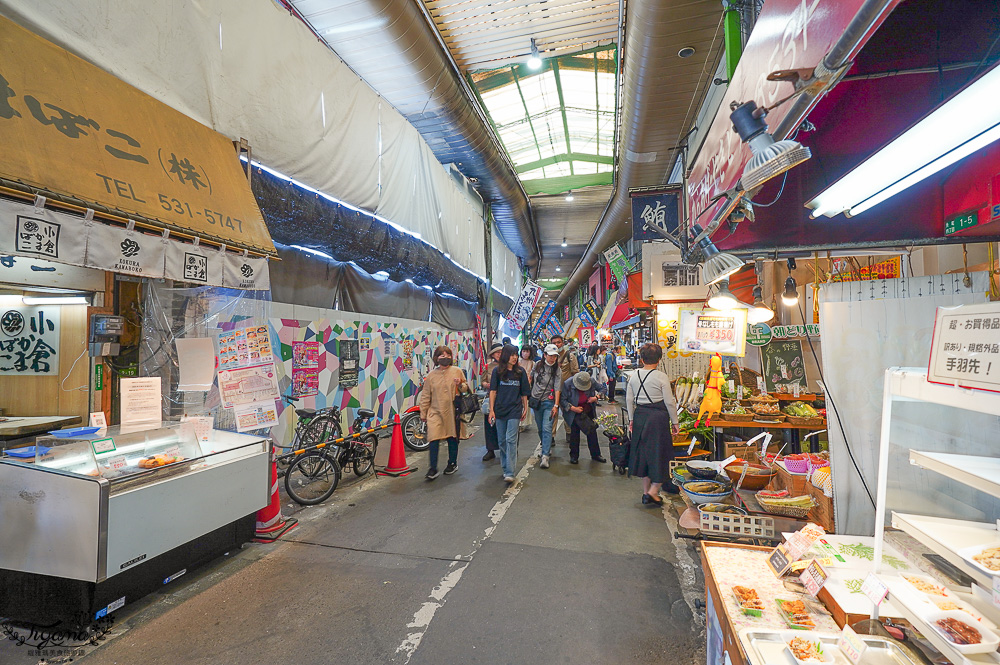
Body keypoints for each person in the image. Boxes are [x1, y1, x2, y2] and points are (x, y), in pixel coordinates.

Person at [626, 343, 680, 506]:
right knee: (660, 453)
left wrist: (631, 420)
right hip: (658, 418)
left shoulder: (633, 376)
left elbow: (629, 399)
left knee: (643, 455)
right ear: (659, 359)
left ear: (641, 359)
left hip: (640, 416)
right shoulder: (661, 377)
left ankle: (646, 492)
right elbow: (670, 402)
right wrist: (675, 422)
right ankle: (653, 491)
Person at [420, 345, 469, 481]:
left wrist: (460, 384)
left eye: (448, 355)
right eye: (442, 355)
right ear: (436, 358)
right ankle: (433, 468)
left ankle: (452, 463)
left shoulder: (457, 371)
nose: (445, 358)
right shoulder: (431, 376)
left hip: (453, 411)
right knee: (433, 438)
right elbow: (425, 396)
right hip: (435, 412)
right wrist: (423, 413)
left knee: (452, 437)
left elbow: (465, 388)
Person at [489, 344, 530, 483]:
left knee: (511, 439)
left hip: (515, 409)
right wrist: (491, 410)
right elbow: (493, 391)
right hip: (500, 409)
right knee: (501, 441)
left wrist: (525, 408)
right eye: (512, 354)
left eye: (516, 355)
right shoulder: (497, 372)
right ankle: (506, 467)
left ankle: (510, 472)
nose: (514, 357)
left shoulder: (520, 372)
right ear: (506, 356)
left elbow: (524, 393)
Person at [560, 371, 607, 465]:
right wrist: (573, 408)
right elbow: (562, 400)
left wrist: (596, 397)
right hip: (574, 413)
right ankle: (574, 456)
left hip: (588, 411)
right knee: (574, 435)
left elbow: (603, 388)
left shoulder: (592, 381)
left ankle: (596, 455)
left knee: (592, 432)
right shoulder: (568, 383)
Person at [530, 344, 562, 468]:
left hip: (549, 402)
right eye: (550, 356)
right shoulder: (537, 365)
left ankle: (545, 456)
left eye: (555, 356)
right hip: (536, 401)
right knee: (540, 428)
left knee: (547, 428)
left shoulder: (557, 369)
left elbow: (557, 388)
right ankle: (545, 447)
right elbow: (530, 377)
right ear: (544, 355)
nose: (552, 358)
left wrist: (556, 405)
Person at [550, 334, 578, 443]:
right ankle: (551, 437)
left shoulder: (570, 356)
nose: (556, 345)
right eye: (554, 343)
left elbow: (575, 373)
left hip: (567, 391)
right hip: (552, 391)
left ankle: (569, 433)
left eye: (558, 342)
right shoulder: (549, 356)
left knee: (568, 412)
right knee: (552, 414)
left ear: (563, 343)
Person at [481, 343, 503, 461]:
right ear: (493, 354)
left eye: (501, 352)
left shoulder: (508, 365)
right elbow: (482, 381)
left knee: (504, 424)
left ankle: (506, 449)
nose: (499, 354)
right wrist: (486, 384)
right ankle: (490, 450)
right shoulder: (487, 366)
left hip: (505, 398)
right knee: (489, 424)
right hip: (491, 398)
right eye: (497, 352)